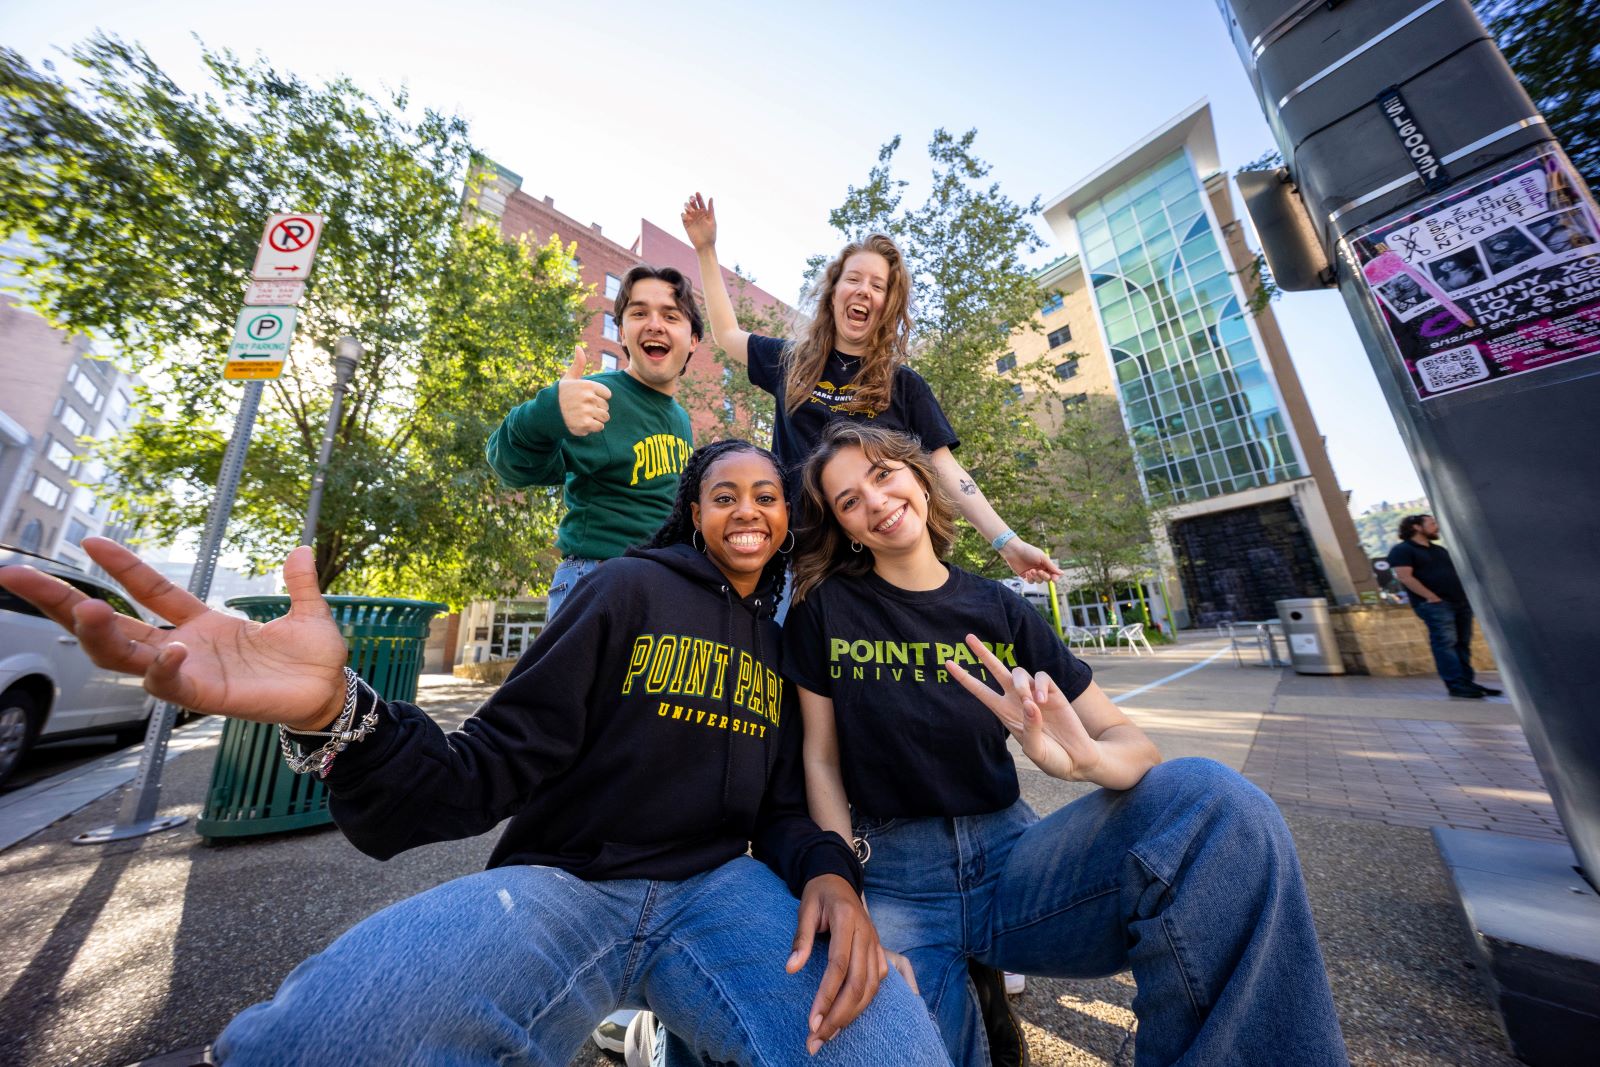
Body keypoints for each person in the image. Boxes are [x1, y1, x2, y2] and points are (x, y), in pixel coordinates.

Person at [0, 441, 951, 1067]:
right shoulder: (625, 589)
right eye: (723, 494)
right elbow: (485, 765)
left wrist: (829, 873)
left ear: (789, 518)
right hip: (566, 884)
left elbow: (787, 805)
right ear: (693, 513)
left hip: (718, 890)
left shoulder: (782, 644)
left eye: (768, 496)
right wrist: (335, 706)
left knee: (890, 1044)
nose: (748, 509)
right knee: (337, 1031)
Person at [785, 422, 1348, 1066]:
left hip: (1011, 859)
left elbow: (1131, 744)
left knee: (1217, 803)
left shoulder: (1000, 609)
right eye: (849, 500)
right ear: (844, 527)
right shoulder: (825, 608)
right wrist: (848, 896)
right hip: (894, 879)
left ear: (918, 477)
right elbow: (820, 761)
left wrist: (1086, 761)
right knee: (879, 1042)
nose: (876, 501)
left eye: (884, 475)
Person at [681, 193, 1059, 587]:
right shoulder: (791, 362)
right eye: (854, 279)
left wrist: (1007, 542)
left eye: (877, 285)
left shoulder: (904, 384)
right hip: (797, 563)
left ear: (887, 305)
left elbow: (947, 470)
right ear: (834, 292)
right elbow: (727, 335)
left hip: (875, 567)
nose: (864, 290)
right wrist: (707, 249)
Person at [487, 265, 699, 619]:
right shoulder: (598, 395)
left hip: (660, 584)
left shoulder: (681, 418)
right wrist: (546, 413)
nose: (654, 324)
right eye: (639, 312)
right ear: (622, 332)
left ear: (693, 339)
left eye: (671, 315)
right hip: (597, 578)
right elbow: (508, 464)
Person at [1386, 513, 1500, 699]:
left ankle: (1466, 681)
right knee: (1445, 643)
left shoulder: (1439, 551)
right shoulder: (1403, 550)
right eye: (1432, 523)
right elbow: (1405, 576)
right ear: (1416, 527)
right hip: (1436, 605)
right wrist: (1430, 596)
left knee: (1462, 643)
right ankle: (1455, 684)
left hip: (1459, 602)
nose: (1436, 526)